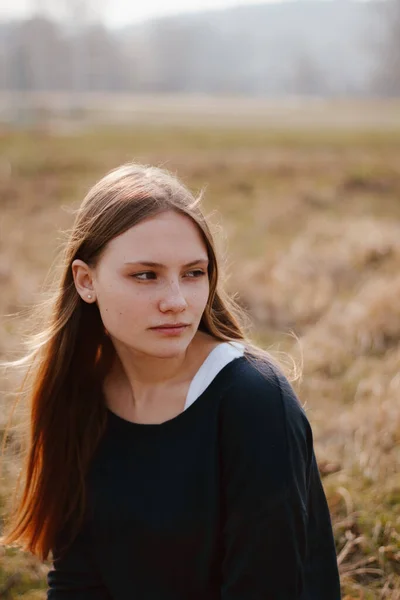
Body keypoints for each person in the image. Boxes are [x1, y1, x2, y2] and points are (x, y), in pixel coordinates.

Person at [1, 163, 341, 599]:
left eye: (193, 273)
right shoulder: (79, 394)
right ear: (86, 281)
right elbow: (78, 580)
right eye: (146, 275)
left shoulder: (254, 402)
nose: (177, 302)